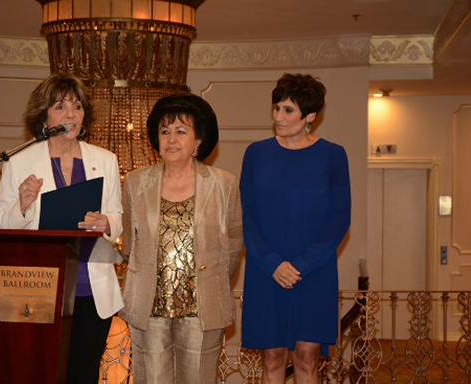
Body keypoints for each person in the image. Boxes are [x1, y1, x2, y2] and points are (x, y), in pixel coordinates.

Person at [0, 73, 124, 383]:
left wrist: (107, 223)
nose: (70, 114)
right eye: (60, 106)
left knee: (83, 374)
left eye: (77, 107)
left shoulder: (105, 160)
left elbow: (117, 216)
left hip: (90, 289)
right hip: (37, 288)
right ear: (43, 116)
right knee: (40, 373)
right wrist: (22, 205)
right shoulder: (19, 162)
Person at [119, 93, 243, 384]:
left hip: (202, 309)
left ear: (198, 141)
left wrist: (212, 281)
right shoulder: (136, 182)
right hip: (149, 308)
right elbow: (128, 242)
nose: (171, 139)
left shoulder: (224, 183)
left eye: (180, 131)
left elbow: (234, 245)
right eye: (164, 131)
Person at [240, 73, 351, 384]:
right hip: (266, 270)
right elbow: (245, 216)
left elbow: (340, 219)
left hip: (314, 272)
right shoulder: (256, 154)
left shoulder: (332, 155)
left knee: (306, 358)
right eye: (277, 108)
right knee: (272, 358)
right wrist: (273, 264)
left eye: (288, 110)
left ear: (310, 116)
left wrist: (300, 265)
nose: (278, 116)